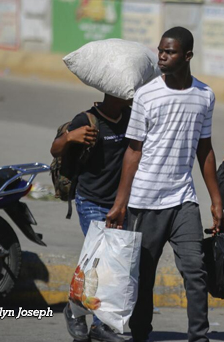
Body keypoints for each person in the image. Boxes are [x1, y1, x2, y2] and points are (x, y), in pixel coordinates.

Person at [105, 27, 224, 342]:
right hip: (144, 202)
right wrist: (120, 204)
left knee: (196, 272)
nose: (161, 56)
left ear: (187, 56)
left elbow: (205, 149)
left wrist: (215, 200)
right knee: (144, 278)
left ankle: (198, 336)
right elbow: (133, 151)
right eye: (160, 50)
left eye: (169, 52)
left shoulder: (205, 95)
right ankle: (140, 334)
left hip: (183, 200)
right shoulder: (146, 95)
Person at [50, 95, 131, 342]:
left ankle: (97, 324)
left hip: (119, 203)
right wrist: (68, 138)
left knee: (109, 265)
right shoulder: (86, 120)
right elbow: (54, 149)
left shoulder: (129, 117)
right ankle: (76, 313)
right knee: (101, 261)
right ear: (111, 93)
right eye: (126, 94)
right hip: (91, 201)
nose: (130, 97)